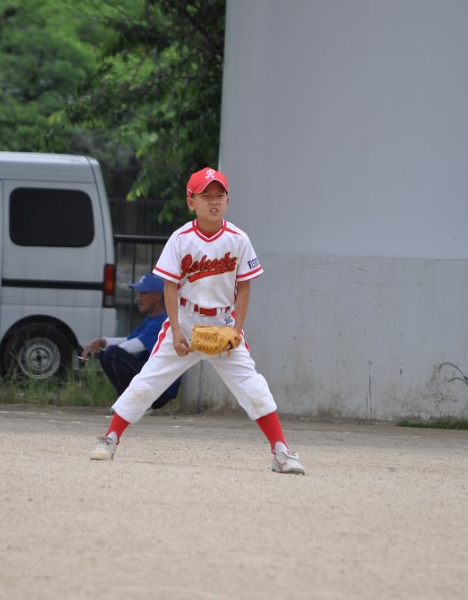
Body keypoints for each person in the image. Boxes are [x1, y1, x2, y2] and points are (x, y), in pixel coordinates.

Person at [88, 166, 306, 474]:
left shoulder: (238, 239)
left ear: (228, 201)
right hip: (187, 320)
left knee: (252, 385)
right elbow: (169, 286)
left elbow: (244, 287)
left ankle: (281, 451)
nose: (214, 201)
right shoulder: (181, 239)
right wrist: (176, 330)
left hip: (223, 324)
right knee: (148, 381)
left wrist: (237, 330)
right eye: (206, 196)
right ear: (191, 201)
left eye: (220, 195)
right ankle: (110, 438)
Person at [81, 273, 181, 410]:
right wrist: (102, 341)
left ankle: (137, 404)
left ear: (157, 296)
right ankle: (131, 402)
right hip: (154, 385)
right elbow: (129, 340)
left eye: (143, 294)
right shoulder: (152, 319)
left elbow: (132, 346)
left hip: (160, 390)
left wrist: (103, 350)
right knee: (108, 354)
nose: (138, 298)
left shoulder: (163, 321)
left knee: (111, 354)